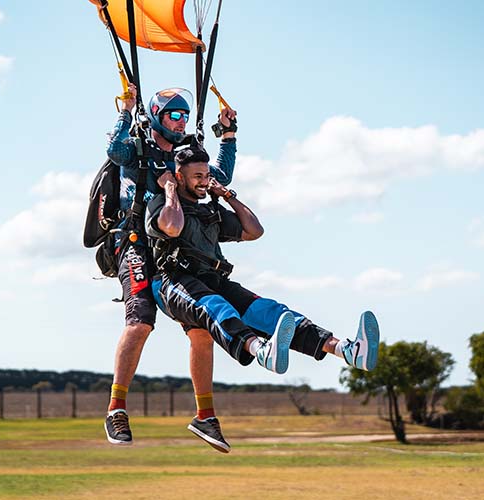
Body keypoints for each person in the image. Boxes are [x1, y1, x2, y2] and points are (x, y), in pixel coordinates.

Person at [146, 147, 381, 448]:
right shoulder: (161, 205)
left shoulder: (211, 211)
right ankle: (260, 350)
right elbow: (171, 227)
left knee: (269, 311)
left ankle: (346, 350)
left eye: (206, 175)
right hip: (175, 282)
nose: (204, 181)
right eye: (197, 177)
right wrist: (168, 189)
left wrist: (227, 196)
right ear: (179, 177)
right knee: (216, 307)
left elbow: (253, 231)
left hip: (214, 279)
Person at [104, 83, 238, 448]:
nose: (180, 122)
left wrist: (227, 136)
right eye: (173, 115)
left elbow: (216, 179)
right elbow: (114, 152)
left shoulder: (184, 155)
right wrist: (126, 110)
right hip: (134, 243)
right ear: (157, 117)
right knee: (141, 321)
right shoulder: (136, 149)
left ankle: (205, 417)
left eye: (184, 115)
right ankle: (116, 408)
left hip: (174, 248)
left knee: (200, 329)